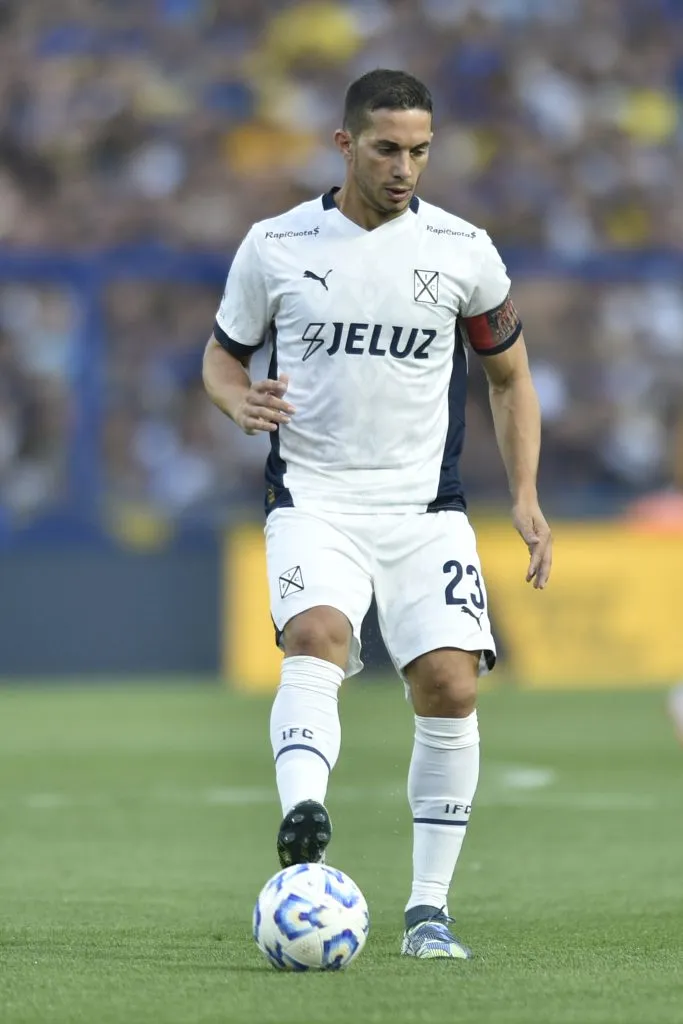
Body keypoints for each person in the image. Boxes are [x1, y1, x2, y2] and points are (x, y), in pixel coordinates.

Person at [203, 69, 552, 960]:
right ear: (344, 144)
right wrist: (236, 402)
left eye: (420, 150)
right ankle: (304, 823)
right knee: (314, 634)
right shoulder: (276, 244)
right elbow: (221, 356)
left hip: (424, 508)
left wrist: (524, 497)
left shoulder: (463, 249)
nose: (405, 168)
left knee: (450, 683)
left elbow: (509, 379)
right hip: (313, 498)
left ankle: (427, 909)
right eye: (388, 148)